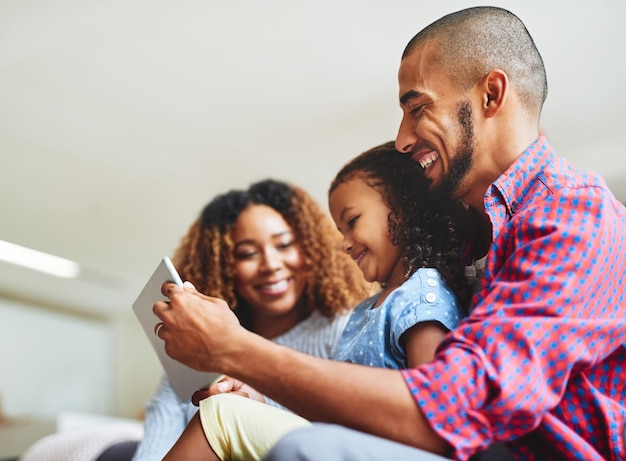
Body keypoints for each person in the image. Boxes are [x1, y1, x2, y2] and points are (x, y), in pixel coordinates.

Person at [154, 6, 626, 460]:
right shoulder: (457, 240)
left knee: (305, 448)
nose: (402, 138)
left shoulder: (575, 216)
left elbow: (450, 410)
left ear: (491, 95)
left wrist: (236, 350)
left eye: (417, 107)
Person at [161, 141, 473, 461]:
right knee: (228, 406)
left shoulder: (423, 294)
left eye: (352, 222)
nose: (345, 245)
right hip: (343, 445)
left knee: (222, 415)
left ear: (403, 211)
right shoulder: (365, 311)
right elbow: (331, 416)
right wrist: (263, 403)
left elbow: (435, 413)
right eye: (340, 231)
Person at [20, 179, 373, 461]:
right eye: (247, 253)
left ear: (311, 249)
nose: (270, 264)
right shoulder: (200, 343)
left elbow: (347, 438)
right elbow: (161, 427)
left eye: (284, 245)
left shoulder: (347, 329)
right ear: (223, 265)